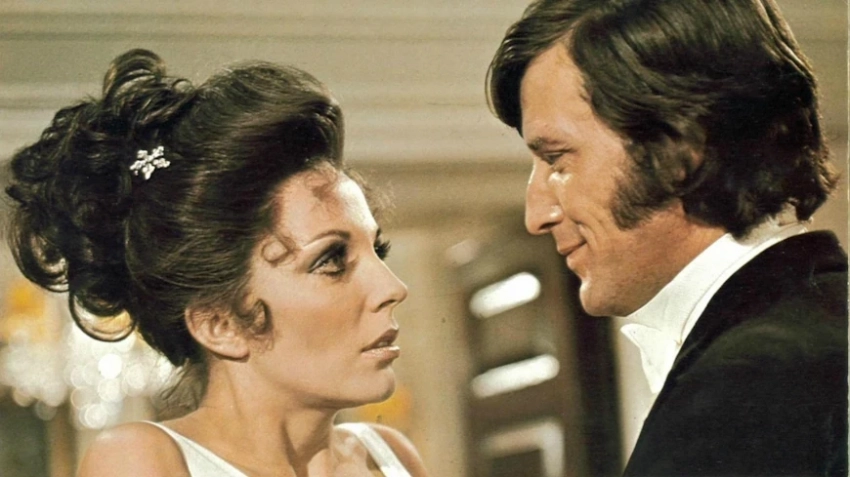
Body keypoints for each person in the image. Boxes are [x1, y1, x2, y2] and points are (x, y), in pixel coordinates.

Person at [6, 48, 429, 477]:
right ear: (219, 324)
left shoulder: (389, 456)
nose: (393, 288)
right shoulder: (139, 459)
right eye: (331, 261)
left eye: (377, 250)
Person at [487, 1, 847, 476]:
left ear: (682, 150)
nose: (537, 216)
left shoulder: (756, 381)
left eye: (557, 161)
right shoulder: (805, 334)